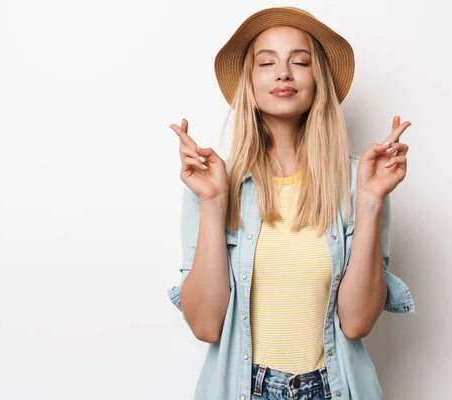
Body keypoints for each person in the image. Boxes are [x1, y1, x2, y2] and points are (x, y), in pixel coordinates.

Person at [167, 6, 414, 400]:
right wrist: (213, 203)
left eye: (300, 61)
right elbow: (206, 326)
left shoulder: (361, 182)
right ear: (249, 82)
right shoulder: (212, 184)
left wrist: (370, 202)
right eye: (267, 62)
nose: (284, 72)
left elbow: (357, 323)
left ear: (319, 81)